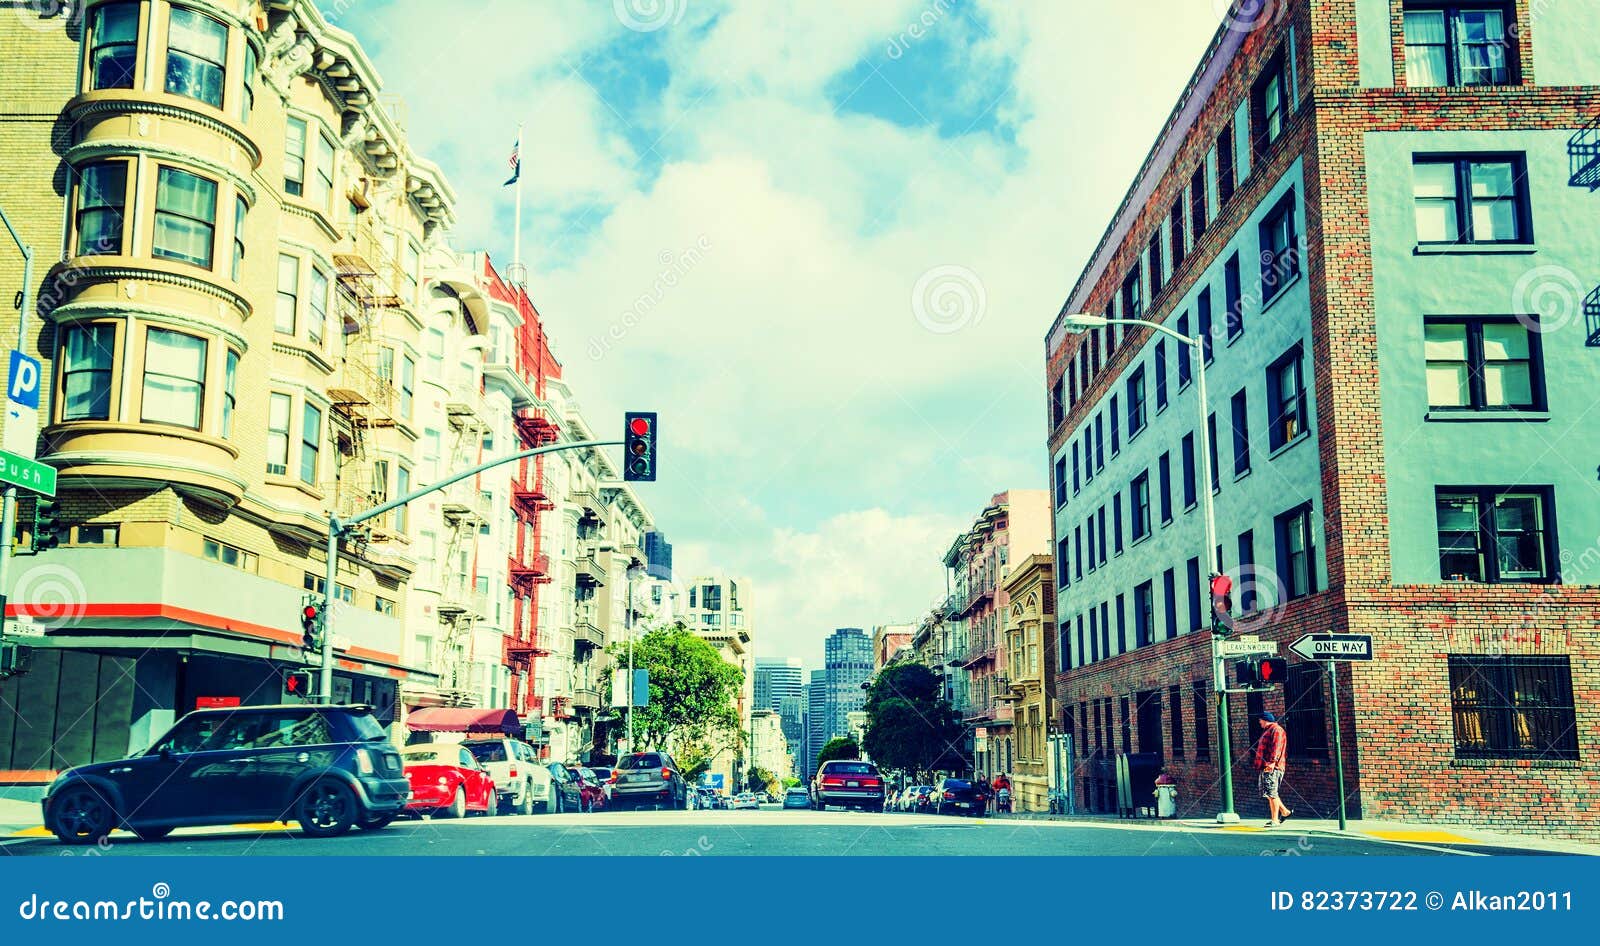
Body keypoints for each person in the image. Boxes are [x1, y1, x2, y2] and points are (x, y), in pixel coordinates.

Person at [1254, 711, 1292, 826]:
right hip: (1268, 766)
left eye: (1260, 720)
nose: (1259, 722)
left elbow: (1277, 747)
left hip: (1273, 766)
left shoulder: (1276, 730)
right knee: (1270, 792)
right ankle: (1285, 812)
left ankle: (1275, 820)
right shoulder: (1269, 730)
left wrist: (1272, 762)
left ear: (1265, 719)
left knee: (1271, 793)